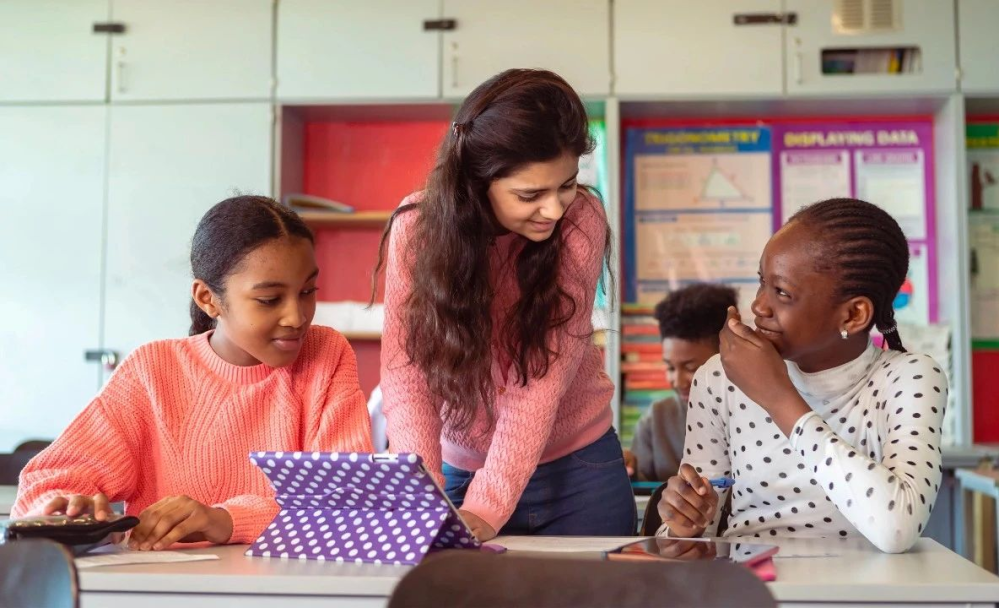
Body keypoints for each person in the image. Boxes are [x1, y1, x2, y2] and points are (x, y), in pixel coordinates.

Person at [14, 196, 374, 550]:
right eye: (269, 300)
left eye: (308, 291)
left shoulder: (326, 354)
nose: (297, 317)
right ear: (207, 298)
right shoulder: (152, 370)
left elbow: (349, 504)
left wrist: (225, 520)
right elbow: (42, 486)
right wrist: (68, 506)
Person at [376, 69, 633, 540]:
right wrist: (423, 493)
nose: (554, 210)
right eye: (530, 195)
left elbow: (540, 378)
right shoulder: (417, 228)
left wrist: (489, 506)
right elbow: (406, 372)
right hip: (461, 469)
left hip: (580, 473)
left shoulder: (580, 222)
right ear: (476, 182)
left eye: (567, 184)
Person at [657, 198, 948, 554]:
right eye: (762, 282)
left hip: (863, 591)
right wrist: (682, 525)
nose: (759, 306)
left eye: (781, 292)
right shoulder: (719, 378)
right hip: (752, 587)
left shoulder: (909, 377)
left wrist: (777, 397)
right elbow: (696, 531)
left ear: (854, 315)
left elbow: (897, 528)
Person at [624, 283, 738, 482]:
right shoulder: (657, 419)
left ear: (727, 354)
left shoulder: (754, 413)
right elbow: (642, 495)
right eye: (670, 367)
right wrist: (628, 468)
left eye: (691, 368)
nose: (677, 381)